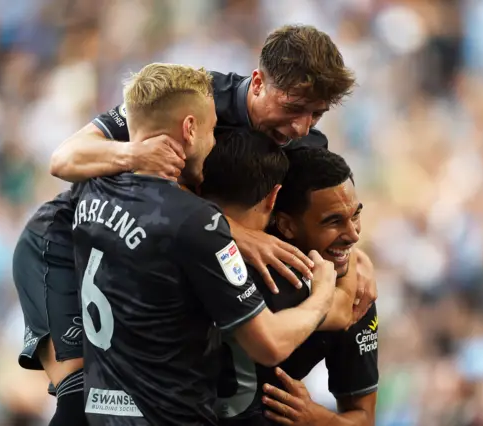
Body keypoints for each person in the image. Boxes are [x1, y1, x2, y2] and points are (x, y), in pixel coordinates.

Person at [71, 63, 338, 426]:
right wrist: (323, 294)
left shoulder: (89, 193)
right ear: (190, 128)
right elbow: (269, 342)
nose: (214, 143)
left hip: (101, 414)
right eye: (212, 129)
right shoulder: (197, 221)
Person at [199, 147, 378, 426]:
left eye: (355, 215)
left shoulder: (358, 293)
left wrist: (317, 419)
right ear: (286, 225)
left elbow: (364, 417)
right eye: (333, 222)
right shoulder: (227, 268)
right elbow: (270, 344)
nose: (354, 234)